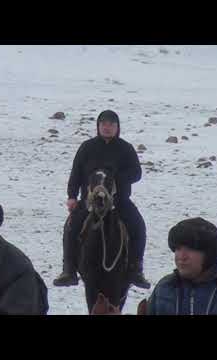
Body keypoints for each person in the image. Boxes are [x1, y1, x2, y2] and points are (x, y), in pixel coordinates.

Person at [53, 109, 150, 289]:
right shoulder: (87, 147)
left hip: (119, 201)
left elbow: (136, 173)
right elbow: (76, 173)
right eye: (103, 124)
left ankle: (136, 269)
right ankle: (69, 270)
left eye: (111, 124)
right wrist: (72, 197)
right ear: (98, 126)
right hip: (89, 201)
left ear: (117, 127)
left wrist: (117, 178)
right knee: (71, 226)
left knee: (138, 225)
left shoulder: (125, 148)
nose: (107, 127)